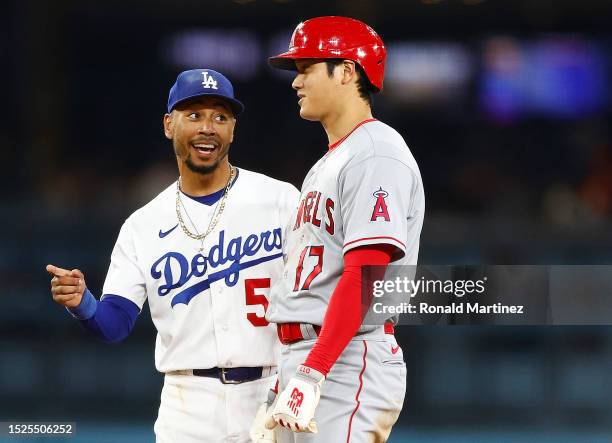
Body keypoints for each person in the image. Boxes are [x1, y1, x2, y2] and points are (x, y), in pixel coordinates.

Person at [46, 68, 298, 443]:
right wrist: (84, 303)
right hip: (188, 405)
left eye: (220, 117)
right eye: (194, 115)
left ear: (233, 129)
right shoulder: (142, 224)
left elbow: (317, 293)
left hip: (273, 389)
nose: (208, 127)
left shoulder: (281, 200)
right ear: (169, 124)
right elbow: (115, 324)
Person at [261, 16, 425, 442]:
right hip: (312, 354)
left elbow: (366, 273)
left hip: (345, 360)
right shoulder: (331, 160)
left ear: (348, 71)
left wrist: (313, 371)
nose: (296, 82)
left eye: (306, 68)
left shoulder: (377, 152)